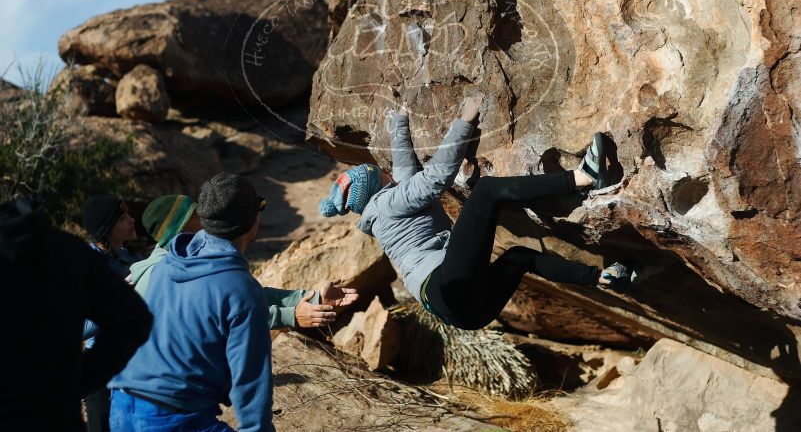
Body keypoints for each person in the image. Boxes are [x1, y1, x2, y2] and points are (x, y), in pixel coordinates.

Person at [319, 97, 633, 330]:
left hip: (465, 315)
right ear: (377, 184)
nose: (387, 172)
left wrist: (400, 121)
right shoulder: (388, 205)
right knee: (486, 192)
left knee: (520, 259)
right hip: (446, 284)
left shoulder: (384, 210)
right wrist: (464, 121)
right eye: (380, 173)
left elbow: (405, 171)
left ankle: (603, 278)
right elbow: (434, 179)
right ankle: (584, 178)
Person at [109, 173, 276, 432]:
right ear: (251, 221)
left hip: (122, 403)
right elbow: (250, 382)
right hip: (173, 416)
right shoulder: (241, 288)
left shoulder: (168, 264)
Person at [0, 197, 152, 432]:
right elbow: (133, 319)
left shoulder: (124, 258)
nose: (132, 221)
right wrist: (78, 378)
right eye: (123, 218)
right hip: (60, 413)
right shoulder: (70, 251)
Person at [133, 194, 359, 329]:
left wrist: (310, 297)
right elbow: (229, 312)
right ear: (179, 228)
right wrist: (291, 316)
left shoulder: (188, 260)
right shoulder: (167, 273)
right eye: (195, 215)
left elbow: (243, 296)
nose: (204, 218)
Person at [80, 195, 145, 432]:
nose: (131, 220)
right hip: (102, 373)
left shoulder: (132, 259)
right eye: (123, 218)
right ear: (106, 229)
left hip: (136, 367)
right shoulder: (86, 266)